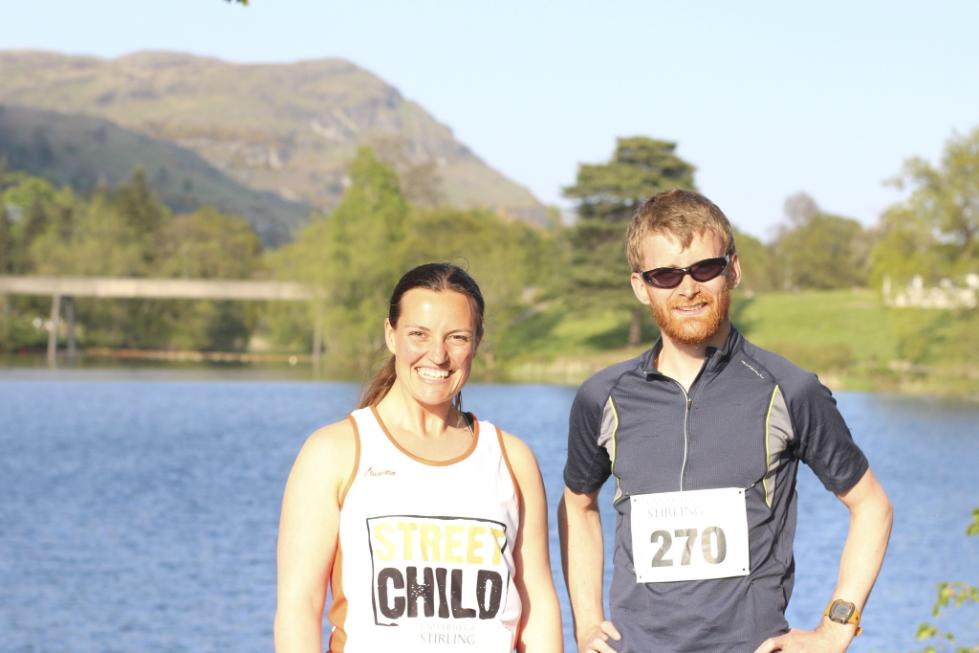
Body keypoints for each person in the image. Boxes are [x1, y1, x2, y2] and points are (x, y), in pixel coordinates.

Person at [558, 190, 893, 653]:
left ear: (733, 270)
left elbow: (872, 506)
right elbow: (577, 505)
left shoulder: (790, 390)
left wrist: (836, 630)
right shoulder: (603, 397)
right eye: (665, 275)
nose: (687, 288)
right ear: (641, 286)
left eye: (705, 268)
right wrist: (587, 620)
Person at [275, 263, 562, 653]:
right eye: (419, 334)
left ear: (477, 341)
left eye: (457, 337)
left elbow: (538, 607)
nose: (438, 355)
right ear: (391, 335)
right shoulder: (333, 452)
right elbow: (299, 608)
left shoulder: (512, 458)